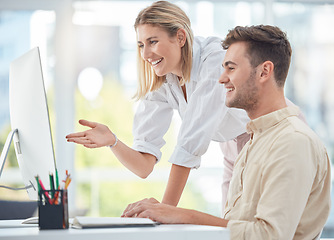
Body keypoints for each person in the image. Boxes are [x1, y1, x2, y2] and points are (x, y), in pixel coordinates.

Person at [121, 25, 331, 240]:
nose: (220, 79)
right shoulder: (251, 145)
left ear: (264, 71)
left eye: (230, 68)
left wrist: (178, 213)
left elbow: (269, 235)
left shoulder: (293, 143)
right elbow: (238, 228)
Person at [66, 0, 249, 207]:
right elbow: (144, 166)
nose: (145, 55)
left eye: (152, 42)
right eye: (141, 45)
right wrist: (113, 141)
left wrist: (166, 209)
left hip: (266, 137)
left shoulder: (215, 59)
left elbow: (191, 140)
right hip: (232, 149)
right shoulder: (165, 81)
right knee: (232, 228)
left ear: (180, 37)